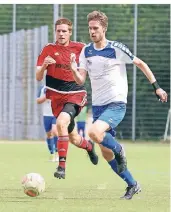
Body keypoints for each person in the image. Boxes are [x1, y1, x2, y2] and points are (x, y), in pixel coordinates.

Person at [70, 11, 168, 200]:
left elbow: (141, 63)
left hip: (116, 103)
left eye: (95, 28)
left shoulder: (116, 48)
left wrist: (156, 87)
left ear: (104, 29)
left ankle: (120, 149)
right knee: (107, 155)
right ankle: (132, 184)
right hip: (99, 106)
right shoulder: (86, 51)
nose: (92, 31)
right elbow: (81, 79)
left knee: (93, 133)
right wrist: (74, 70)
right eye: (90, 28)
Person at [36, 18, 98, 179]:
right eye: (58, 31)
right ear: (55, 32)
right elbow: (38, 76)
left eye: (64, 31)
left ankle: (61, 167)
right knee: (74, 138)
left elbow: (95, 62)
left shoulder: (80, 49)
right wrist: (44, 66)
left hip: (75, 95)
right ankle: (89, 146)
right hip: (56, 98)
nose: (61, 34)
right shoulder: (48, 49)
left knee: (61, 123)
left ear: (70, 32)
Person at [37, 85, 58, 162]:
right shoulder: (42, 88)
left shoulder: (58, 87)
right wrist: (46, 96)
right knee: (49, 135)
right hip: (46, 115)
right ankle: (52, 153)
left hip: (56, 114)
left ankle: (58, 153)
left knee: (55, 131)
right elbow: (38, 101)